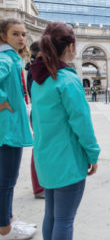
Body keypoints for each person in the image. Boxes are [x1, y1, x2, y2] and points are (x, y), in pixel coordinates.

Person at [30, 22, 100, 240]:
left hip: (46, 158)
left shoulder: (39, 79)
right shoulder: (68, 80)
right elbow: (82, 124)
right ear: (70, 46)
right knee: (64, 220)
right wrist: (92, 154)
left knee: (51, 216)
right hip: (67, 160)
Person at [0, 18, 37, 239]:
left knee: (6, 179)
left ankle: (9, 218)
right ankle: (5, 227)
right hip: (8, 129)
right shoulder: (5, 58)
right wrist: (2, 101)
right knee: (7, 181)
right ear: (3, 36)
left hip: (9, 127)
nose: (21, 38)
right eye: (15, 34)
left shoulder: (10, 57)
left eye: (23, 34)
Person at [25, 41, 45, 199]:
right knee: (38, 150)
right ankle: (38, 188)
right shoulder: (35, 70)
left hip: (41, 115)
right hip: (39, 116)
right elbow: (37, 95)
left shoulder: (35, 68)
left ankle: (43, 183)